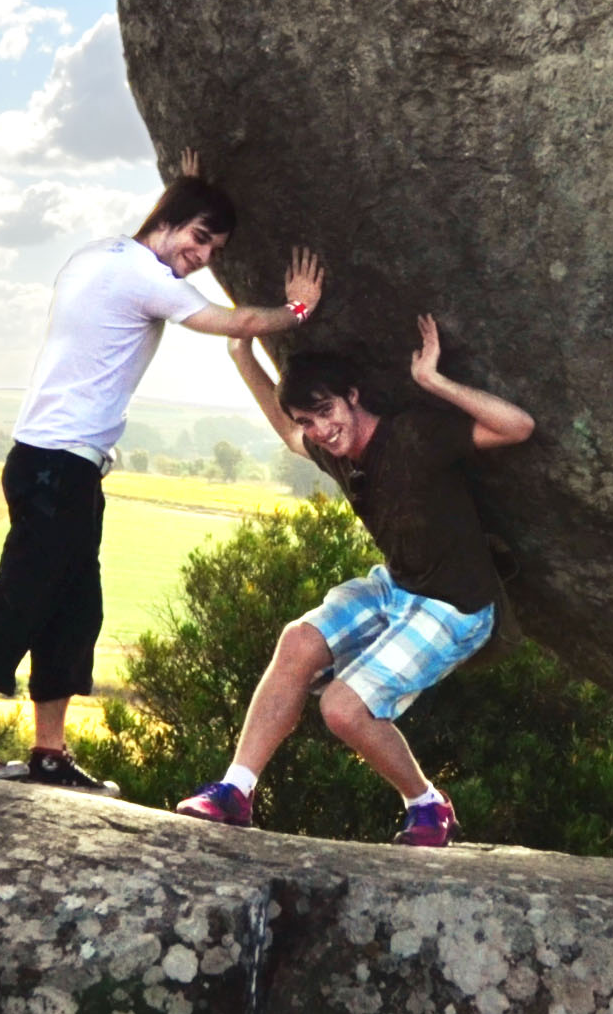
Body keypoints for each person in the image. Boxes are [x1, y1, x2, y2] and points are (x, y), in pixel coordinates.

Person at [0, 153, 309, 787]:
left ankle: (50, 755)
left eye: (214, 250)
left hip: (62, 468)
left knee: (74, 608)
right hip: (56, 467)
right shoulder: (142, 277)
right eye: (199, 238)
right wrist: (298, 311)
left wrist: (184, 187)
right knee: (20, 599)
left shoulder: (96, 257)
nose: (202, 256)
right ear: (170, 220)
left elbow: (170, 240)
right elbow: (235, 322)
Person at [173, 301, 533, 844]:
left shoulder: (413, 438)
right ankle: (235, 792)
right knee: (298, 641)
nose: (320, 430)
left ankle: (428, 805)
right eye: (308, 421)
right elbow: (286, 431)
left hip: (454, 606)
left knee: (343, 709)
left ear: (354, 396)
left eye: (326, 411)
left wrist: (433, 380)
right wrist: (241, 350)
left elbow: (518, 427)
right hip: (397, 588)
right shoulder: (335, 452)